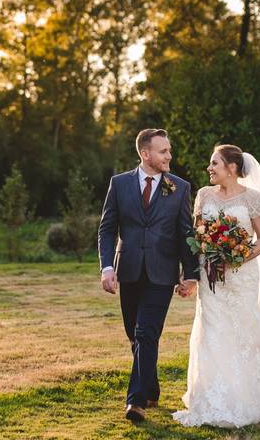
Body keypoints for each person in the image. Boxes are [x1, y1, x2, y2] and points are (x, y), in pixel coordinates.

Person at [172, 144, 260, 428]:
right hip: (209, 275)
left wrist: (237, 258)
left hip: (240, 276)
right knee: (211, 330)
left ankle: (249, 395)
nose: (209, 168)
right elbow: (194, 236)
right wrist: (189, 273)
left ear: (232, 168)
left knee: (243, 330)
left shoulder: (253, 198)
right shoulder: (204, 195)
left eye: (214, 163)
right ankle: (210, 396)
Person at [98, 128, 200, 422]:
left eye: (169, 150)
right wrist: (107, 267)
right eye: (163, 151)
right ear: (146, 154)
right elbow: (107, 229)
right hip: (127, 270)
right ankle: (151, 386)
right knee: (135, 335)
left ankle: (136, 401)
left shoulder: (179, 187)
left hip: (162, 273)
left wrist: (190, 274)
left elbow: (185, 233)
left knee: (146, 333)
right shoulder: (119, 184)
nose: (169, 156)